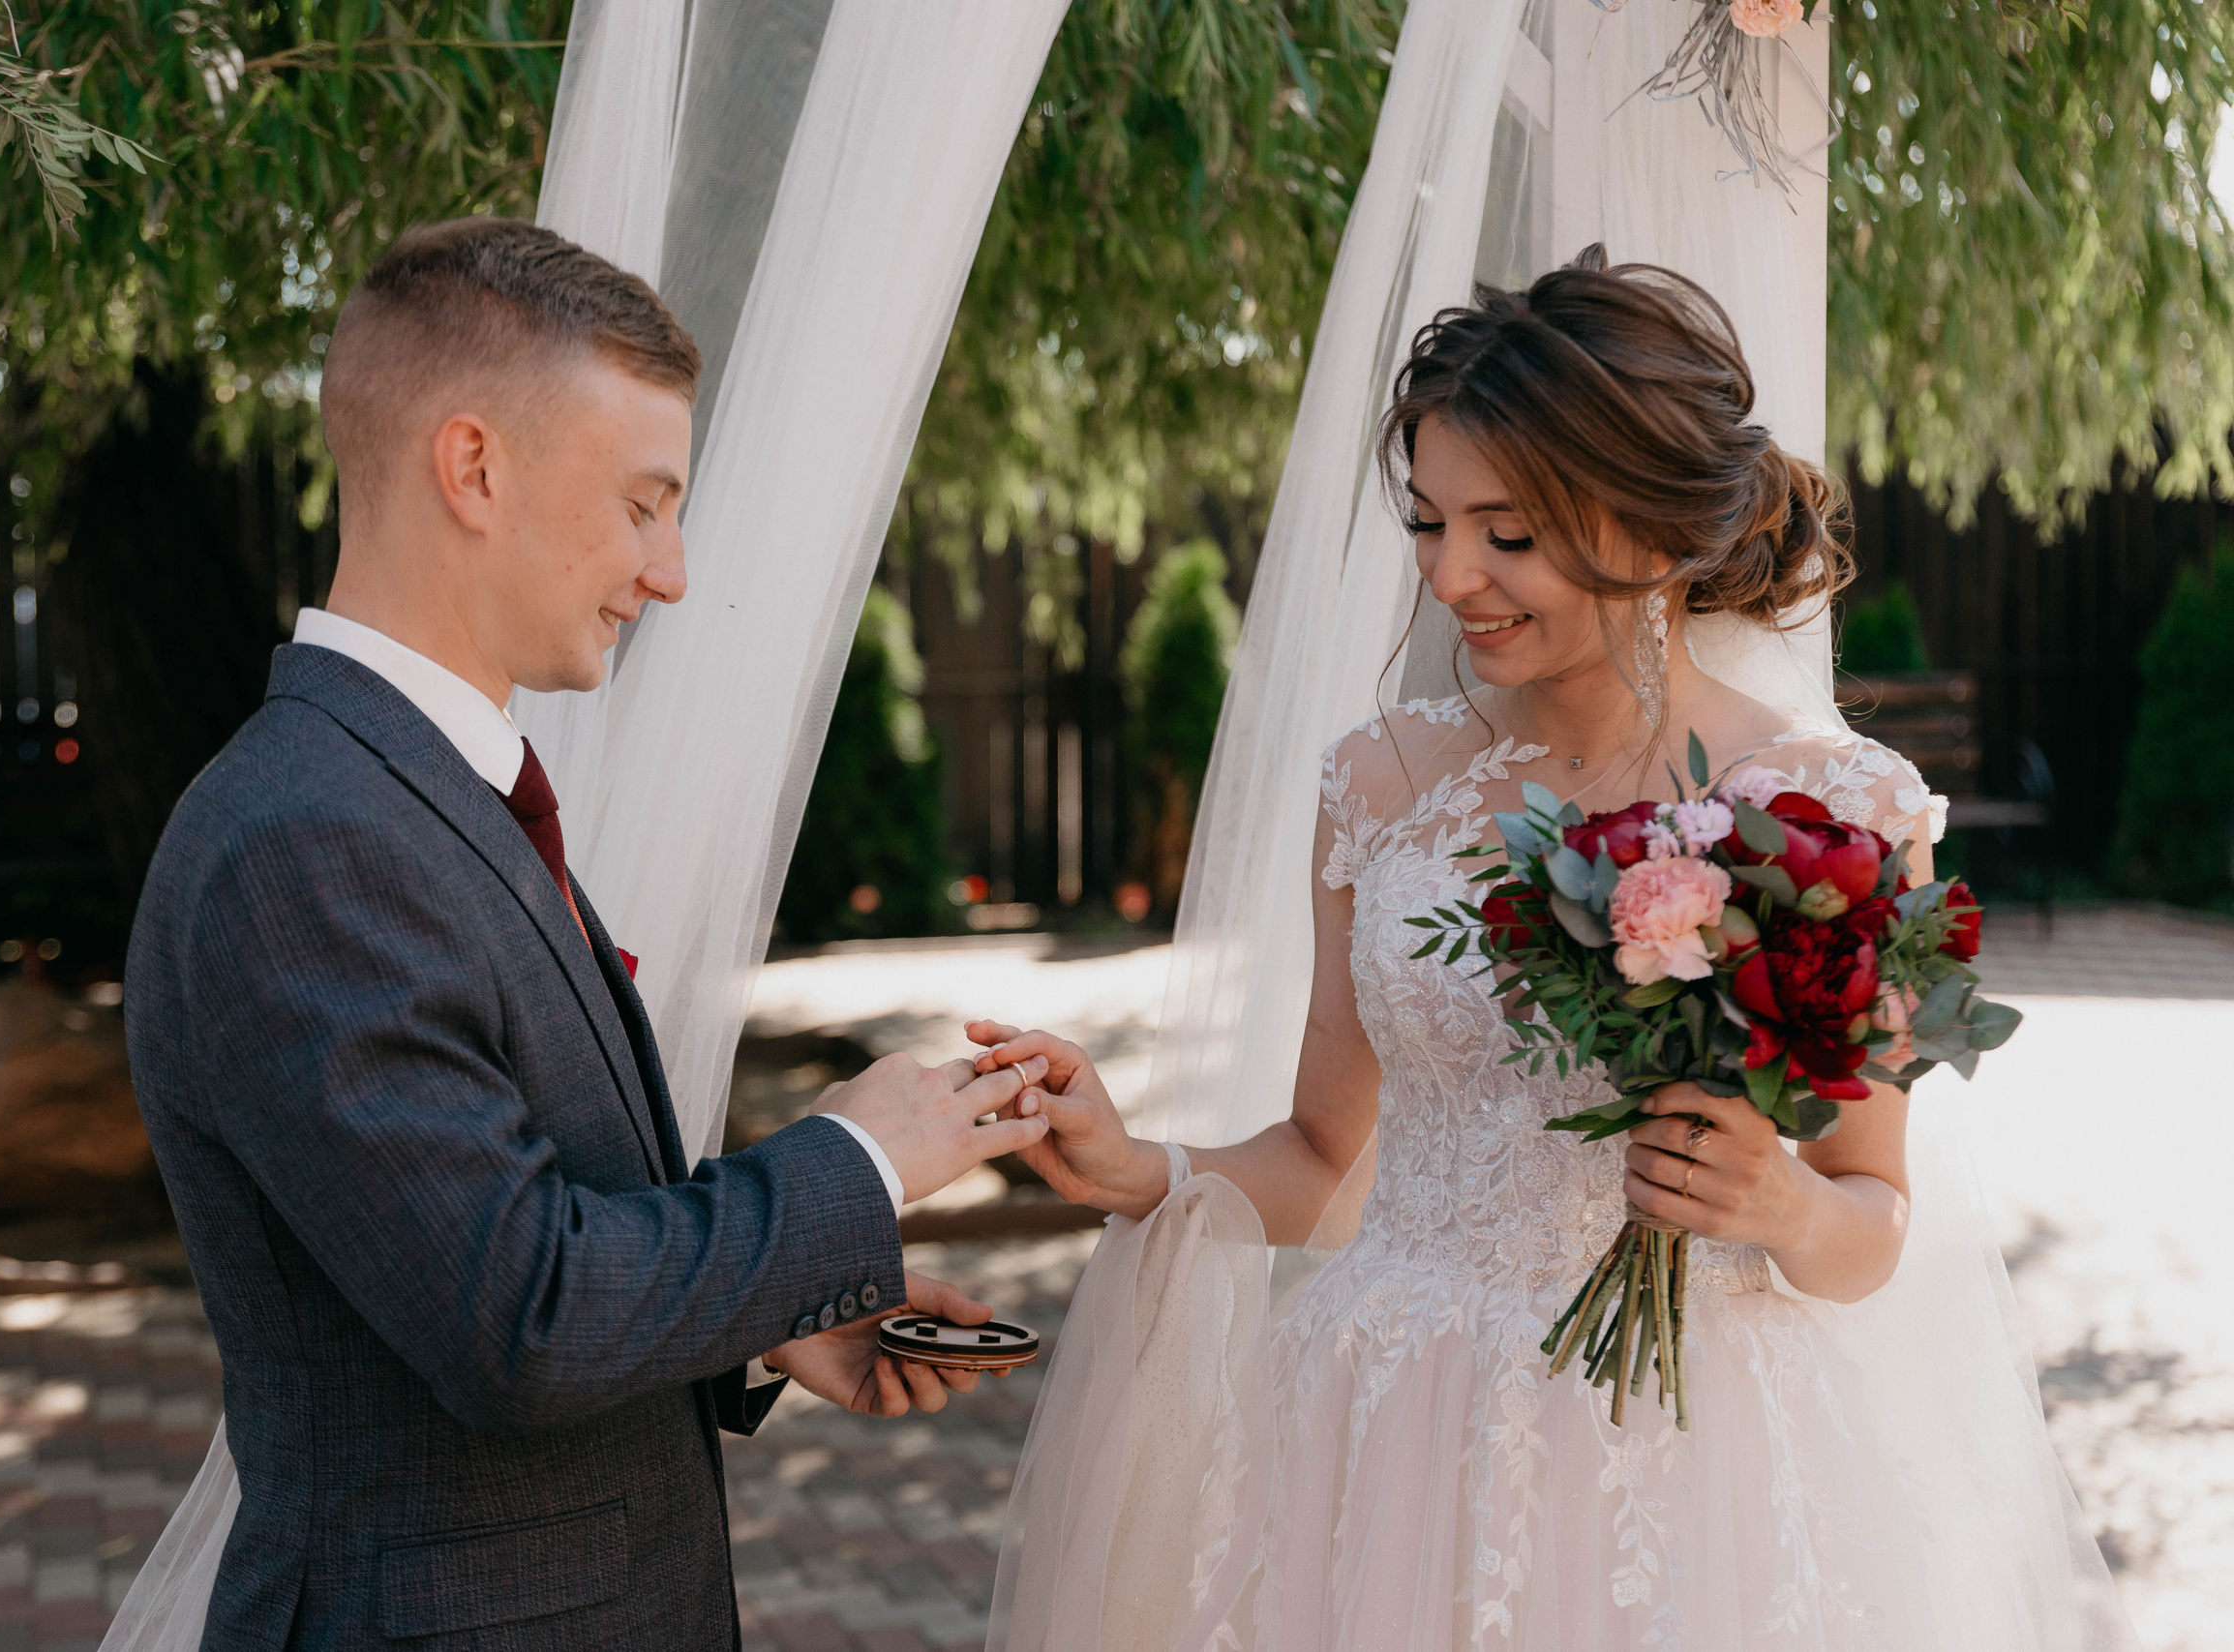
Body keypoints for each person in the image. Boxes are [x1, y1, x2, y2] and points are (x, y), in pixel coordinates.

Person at [974, 252, 2133, 1649]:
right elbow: (1328, 1165)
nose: (1451, 575)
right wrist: (1140, 1168)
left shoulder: (1837, 812)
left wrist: (1779, 1203)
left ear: (1653, 529)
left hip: (1689, 1456)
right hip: (1393, 1433)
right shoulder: (1380, 783)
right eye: (1429, 522)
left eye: (1507, 533)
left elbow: (1872, 1219)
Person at [118, 217, 1053, 1652]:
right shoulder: (305, 840)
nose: (670, 571)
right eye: (642, 504)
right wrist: (857, 1161)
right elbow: (523, 1317)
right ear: (475, 467)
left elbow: (520, 1231)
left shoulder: (416, 794)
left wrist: (765, 1314)